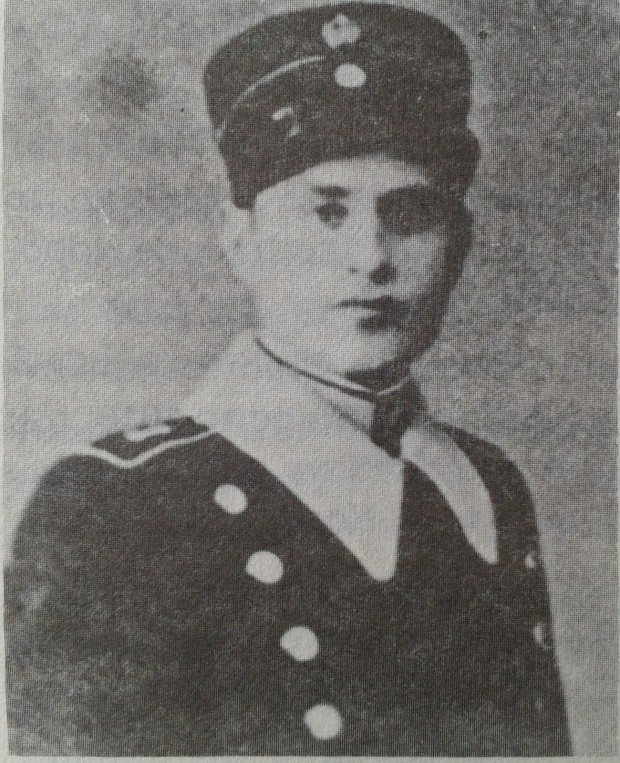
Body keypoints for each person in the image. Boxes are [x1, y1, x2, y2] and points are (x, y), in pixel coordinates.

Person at [4, 2, 572, 755]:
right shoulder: (118, 505)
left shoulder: (484, 485)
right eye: (327, 213)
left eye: (410, 213)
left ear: (459, 245)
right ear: (242, 240)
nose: (371, 258)